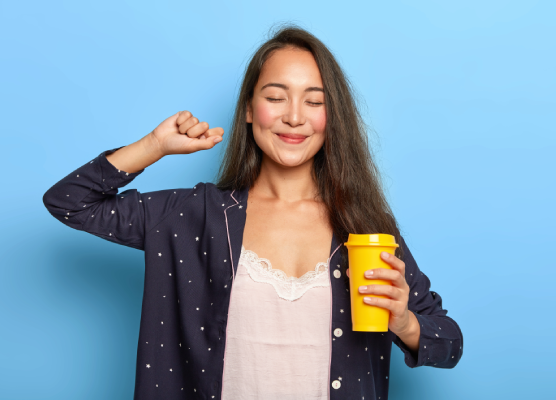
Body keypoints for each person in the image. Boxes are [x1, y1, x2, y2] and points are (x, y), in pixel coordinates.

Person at [43, 25, 463, 400]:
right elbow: (69, 202)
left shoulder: (365, 227)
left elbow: (449, 343)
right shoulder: (192, 214)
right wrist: (153, 146)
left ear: (331, 118)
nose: (294, 116)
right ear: (248, 109)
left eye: (313, 102)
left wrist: (405, 322)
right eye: (275, 97)